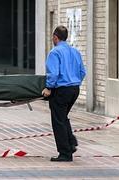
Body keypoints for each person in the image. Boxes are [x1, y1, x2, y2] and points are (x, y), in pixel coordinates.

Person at [42, 25, 86, 162]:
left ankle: (65, 153)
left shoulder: (55, 52)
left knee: (58, 121)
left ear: (55, 37)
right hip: (74, 89)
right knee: (62, 117)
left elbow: (53, 73)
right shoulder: (75, 51)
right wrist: (75, 82)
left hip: (61, 90)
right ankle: (71, 143)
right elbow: (82, 72)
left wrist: (48, 88)